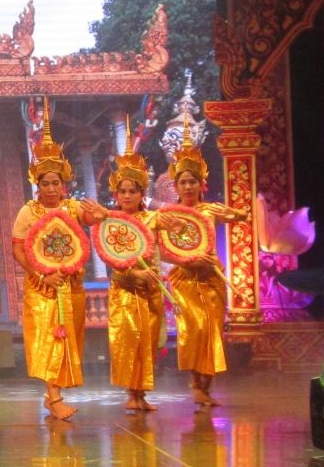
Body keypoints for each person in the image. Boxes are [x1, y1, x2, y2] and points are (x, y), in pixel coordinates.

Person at [11, 99, 107, 421]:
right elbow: (18, 250)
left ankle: (55, 394)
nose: (51, 188)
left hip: (72, 286)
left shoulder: (71, 208)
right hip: (43, 289)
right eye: (45, 183)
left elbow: (93, 221)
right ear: (37, 184)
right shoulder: (28, 211)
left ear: (63, 183)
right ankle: (52, 397)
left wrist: (101, 215)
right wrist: (41, 277)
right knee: (49, 340)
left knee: (70, 340)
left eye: (55, 183)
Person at [167, 116, 248, 407]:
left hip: (212, 277)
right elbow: (162, 248)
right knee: (194, 329)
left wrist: (235, 213)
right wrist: (186, 257)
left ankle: (207, 385)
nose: (188, 186)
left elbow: (240, 215)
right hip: (186, 278)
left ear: (202, 184)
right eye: (183, 182)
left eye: (193, 181)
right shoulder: (172, 215)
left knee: (213, 330)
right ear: (176, 186)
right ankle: (194, 383)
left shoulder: (210, 209)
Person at [105, 119, 163, 413]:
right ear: (116, 194)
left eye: (133, 190)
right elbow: (112, 259)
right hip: (126, 290)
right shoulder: (112, 223)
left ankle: (143, 393)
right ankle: (131, 393)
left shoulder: (153, 219)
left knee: (148, 343)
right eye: (122, 191)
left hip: (151, 290)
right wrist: (133, 273)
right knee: (129, 341)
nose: (127, 196)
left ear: (142, 193)